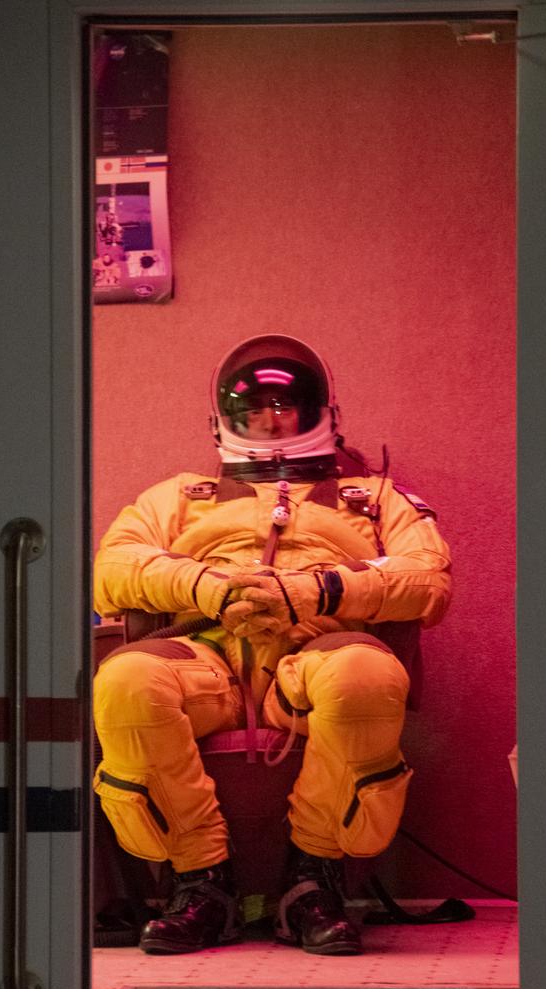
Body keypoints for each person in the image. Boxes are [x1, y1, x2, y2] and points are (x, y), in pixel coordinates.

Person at [93, 334, 452, 955]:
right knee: (126, 681)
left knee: (365, 677)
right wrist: (208, 588)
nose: (271, 419)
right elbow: (114, 567)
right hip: (207, 658)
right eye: (254, 408)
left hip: (318, 655)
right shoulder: (178, 497)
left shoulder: (374, 498)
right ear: (225, 419)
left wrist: (314, 591)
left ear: (322, 412)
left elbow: (429, 579)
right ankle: (201, 884)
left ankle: (312, 882)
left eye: (284, 405)